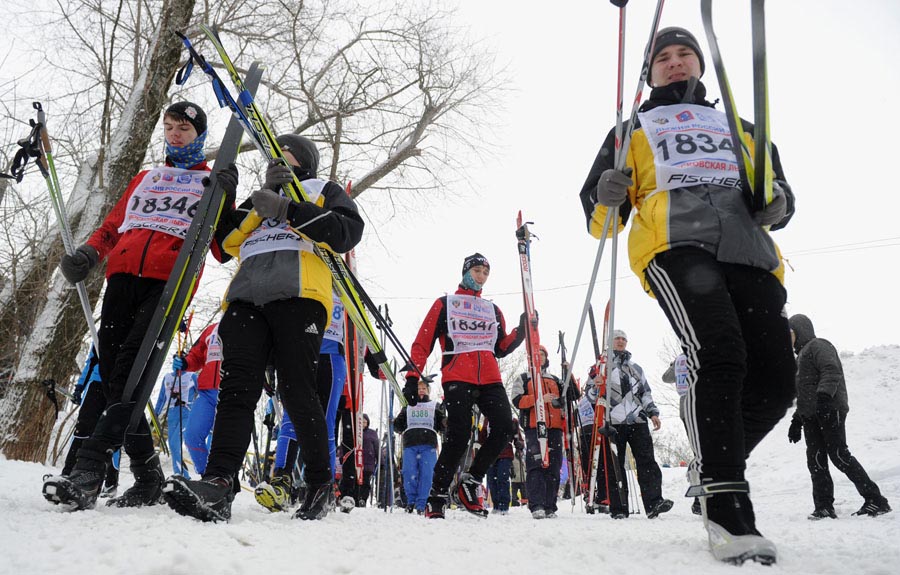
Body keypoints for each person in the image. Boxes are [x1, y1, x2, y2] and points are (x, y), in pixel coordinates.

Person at [579, 26, 797, 563]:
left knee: (775, 378)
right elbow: (601, 221)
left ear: (700, 65)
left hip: (748, 249)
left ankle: (714, 460)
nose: (674, 63)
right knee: (718, 351)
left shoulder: (740, 127)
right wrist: (606, 197)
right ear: (649, 72)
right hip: (675, 242)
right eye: (663, 58)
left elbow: (778, 194)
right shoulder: (631, 129)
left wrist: (778, 203)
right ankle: (727, 505)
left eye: (684, 55)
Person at [43, 101, 237, 511]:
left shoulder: (209, 182)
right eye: (169, 126)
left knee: (131, 368)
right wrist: (89, 255)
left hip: (168, 283)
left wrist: (228, 193)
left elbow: (222, 249)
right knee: (115, 375)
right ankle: (147, 474)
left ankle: (89, 470)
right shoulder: (147, 177)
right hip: (123, 275)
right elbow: (113, 225)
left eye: (183, 128)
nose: (174, 134)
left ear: (198, 135)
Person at [161, 133, 364, 522]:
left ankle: (320, 483)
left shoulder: (322, 188)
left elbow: (346, 232)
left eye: (284, 154)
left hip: (299, 296)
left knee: (297, 390)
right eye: (273, 156)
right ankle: (218, 483)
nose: (276, 160)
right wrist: (227, 197)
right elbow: (225, 245)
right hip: (246, 299)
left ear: (302, 161)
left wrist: (289, 208)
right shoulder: (259, 197)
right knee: (236, 390)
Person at [406, 253, 526, 519]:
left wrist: (522, 331)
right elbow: (422, 342)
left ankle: (471, 481)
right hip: (457, 375)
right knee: (458, 436)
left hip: (490, 377)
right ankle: (436, 494)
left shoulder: (492, 309)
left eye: (485, 272)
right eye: (477, 271)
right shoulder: (445, 304)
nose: (481, 276)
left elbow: (500, 347)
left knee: (505, 426)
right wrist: (413, 377)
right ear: (465, 272)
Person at [788, 314, 891, 519]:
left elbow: (831, 370)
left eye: (789, 333)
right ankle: (824, 507)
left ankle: (876, 500)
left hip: (829, 409)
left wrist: (825, 398)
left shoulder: (819, 345)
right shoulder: (799, 358)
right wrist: (796, 420)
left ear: (800, 330)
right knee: (815, 460)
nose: (787, 337)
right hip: (812, 416)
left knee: (839, 455)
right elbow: (805, 395)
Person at [255, 290, 348, 512]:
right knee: (291, 418)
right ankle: (282, 483)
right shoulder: (299, 273)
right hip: (299, 352)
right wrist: (269, 361)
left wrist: (374, 359)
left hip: (330, 356)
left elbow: (359, 323)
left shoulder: (342, 280)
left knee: (324, 423)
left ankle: (322, 488)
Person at [605, 331, 672, 519]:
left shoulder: (636, 368)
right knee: (615, 465)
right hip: (614, 422)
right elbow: (593, 394)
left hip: (638, 420)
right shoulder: (602, 367)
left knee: (647, 461)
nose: (620, 341)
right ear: (610, 342)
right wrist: (597, 382)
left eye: (623, 339)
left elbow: (645, 393)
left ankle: (654, 503)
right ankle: (619, 508)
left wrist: (653, 413)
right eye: (617, 338)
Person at [511, 344, 568, 519]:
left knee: (554, 466)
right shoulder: (524, 378)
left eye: (542, 354)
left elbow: (571, 395)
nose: (540, 357)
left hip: (555, 428)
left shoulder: (556, 379)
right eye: (537, 354)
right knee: (536, 465)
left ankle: (550, 505)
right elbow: (517, 400)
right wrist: (538, 400)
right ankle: (536, 504)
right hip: (535, 427)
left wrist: (568, 373)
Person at [61, 349, 120, 498]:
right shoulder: (102, 331)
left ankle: (110, 482)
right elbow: (92, 360)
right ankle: (67, 473)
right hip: (97, 382)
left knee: (112, 432)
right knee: (83, 429)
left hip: (119, 382)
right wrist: (80, 387)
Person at [172, 321, 223, 476]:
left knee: (221, 443)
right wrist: (185, 362)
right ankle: (207, 477)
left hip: (231, 392)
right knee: (192, 436)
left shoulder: (247, 323)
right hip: (207, 392)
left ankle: (223, 480)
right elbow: (197, 355)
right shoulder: (211, 329)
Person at [393, 379, 446, 514]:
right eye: (419, 388)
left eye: (424, 388)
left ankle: (422, 503)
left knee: (427, 474)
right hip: (410, 444)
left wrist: (446, 422)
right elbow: (398, 426)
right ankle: (411, 501)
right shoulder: (408, 406)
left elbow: (443, 425)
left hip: (428, 445)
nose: (421, 391)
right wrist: (394, 422)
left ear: (428, 391)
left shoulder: (435, 405)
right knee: (409, 472)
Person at [662, 352, 701, 515]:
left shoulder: (684, 358)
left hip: (697, 407)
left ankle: (702, 497)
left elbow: (667, 377)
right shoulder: (686, 358)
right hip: (695, 407)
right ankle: (700, 499)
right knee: (701, 452)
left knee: (703, 452)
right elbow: (666, 378)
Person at [153, 368, 199, 478]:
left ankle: (180, 474)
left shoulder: (191, 376)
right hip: (172, 414)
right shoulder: (168, 377)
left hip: (187, 413)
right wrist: (156, 414)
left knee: (174, 443)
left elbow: (202, 393)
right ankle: (182, 474)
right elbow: (162, 399)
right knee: (173, 445)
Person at [481, 415, 520, 515]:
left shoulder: (511, 419)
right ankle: (496, 504)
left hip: (505, 452)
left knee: (502, 478)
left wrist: (519, 443)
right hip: (490, 453)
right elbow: (482, 437)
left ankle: (504, 505)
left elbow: (517, 436)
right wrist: (479, 433)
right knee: (491, 480)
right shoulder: (488, 419)